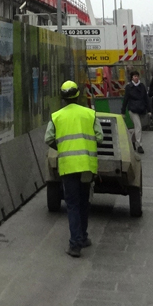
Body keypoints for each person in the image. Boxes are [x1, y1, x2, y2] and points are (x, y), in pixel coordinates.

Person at [45, 80, 103, 257]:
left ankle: (75, 244)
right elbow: (99, 137)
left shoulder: (56, 117)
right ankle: (83, 237)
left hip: (68, 167)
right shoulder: (90, 114)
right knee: (84, 202)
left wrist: (62, 147)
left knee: (72, 205)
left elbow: (48, 139)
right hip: (87, 166)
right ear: (78, 95)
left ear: (62, 97)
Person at [122, 70, 149, 154]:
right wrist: (123, 111)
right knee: (138, 127)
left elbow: (146, 98)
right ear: (132, 78)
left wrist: (149, 109)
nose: (136, 78)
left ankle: (132, 141)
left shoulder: (142, 86)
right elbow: (125, 99)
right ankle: (139, 145)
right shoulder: (129, 87)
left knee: (137, 127)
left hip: (141, 108)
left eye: (137, 76)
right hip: (132, 109)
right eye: (134, 76)